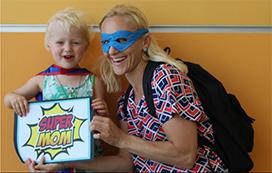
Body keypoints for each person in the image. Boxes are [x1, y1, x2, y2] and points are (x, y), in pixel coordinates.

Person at [30, 4, 229, 172]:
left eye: (122, 40)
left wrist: (121, 139)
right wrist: (66, 162)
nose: (112, 50)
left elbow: (185, 155)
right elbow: (125, 162)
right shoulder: (126, 101)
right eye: (106, 42)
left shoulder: (165, 77)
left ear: (145, 42)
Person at [4, 8, 108, 172]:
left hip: (89, 163)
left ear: (86, 46)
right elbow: (8, 98)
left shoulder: (95, 81)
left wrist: (103, 111)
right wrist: (14, 99)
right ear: (49, 45)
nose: (68, 48)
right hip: (51, 163)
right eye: (60, 42)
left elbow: (103, 124)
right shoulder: (42, 80)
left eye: (76, 42)